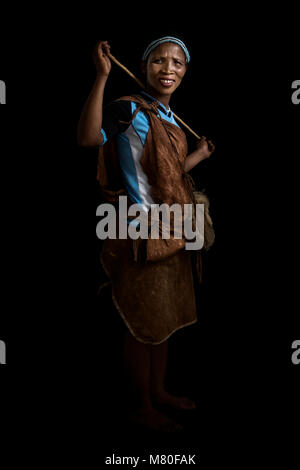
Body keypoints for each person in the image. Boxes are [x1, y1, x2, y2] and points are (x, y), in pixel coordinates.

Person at [78, 37, 215, 432]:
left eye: (177, 62)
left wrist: (199, 156)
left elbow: (167, 177)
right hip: (142, 231)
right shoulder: (127, 108)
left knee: (163, 320)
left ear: (185, 71)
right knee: (141, 325)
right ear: (144, 65)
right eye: (159, 60)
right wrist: (101, 77)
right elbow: (88, 139)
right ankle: (141, 407)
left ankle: (158, 393)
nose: (168, 68)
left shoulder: (169, 118)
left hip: (174, 229)